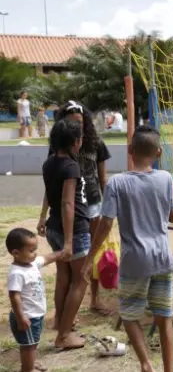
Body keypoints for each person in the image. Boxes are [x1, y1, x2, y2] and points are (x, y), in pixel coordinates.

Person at [83, 125, 173, 372]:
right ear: (158, 152)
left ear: (130, 150)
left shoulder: (117, 182)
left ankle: (147, 367)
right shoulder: (166, 178)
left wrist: (91, 256)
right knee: (164, 318)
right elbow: (172, 216)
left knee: (128, 314)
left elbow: (105, 223)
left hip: (135, 259)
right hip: (162, 257)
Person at [38, 101, 112, 317]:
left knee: (93, 252)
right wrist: (43, 214)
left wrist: (108, 207)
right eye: (70, 123)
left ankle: (95, 299)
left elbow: (103, 178)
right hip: (70, 209)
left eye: (79, 122)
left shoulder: (95, 143)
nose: (75, 127)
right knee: (74, 264)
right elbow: (51, 187)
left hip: (93, 204)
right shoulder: (58, 150)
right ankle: (66, 317)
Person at [41, 118, 90, 350]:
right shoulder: (71, 166)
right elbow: (68, 203)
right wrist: (70, 242)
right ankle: (63, 336)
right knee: (80, 279)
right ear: (75, 142)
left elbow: (49, 195)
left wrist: (43, 218)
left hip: (54, 227)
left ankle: (61, 323)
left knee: (64, 277)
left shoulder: (49, 163)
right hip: (73, 229)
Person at [7, 228, 68, 372]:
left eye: (35, 250)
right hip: (26, 316)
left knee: (32, 343)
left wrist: (61, 252)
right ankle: (28, 371)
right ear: (16, 253)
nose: (35, 253)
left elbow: (47, 258)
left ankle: (30, 363)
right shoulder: (17, 273)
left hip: (35, 314)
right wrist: (21, 317)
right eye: (31, 250)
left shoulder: (32, 264)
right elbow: (14, 296)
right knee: (28, 346)